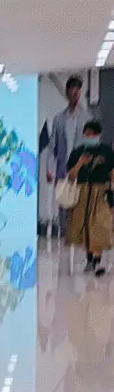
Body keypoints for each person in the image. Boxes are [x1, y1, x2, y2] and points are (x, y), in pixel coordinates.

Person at [65, 120, 114, 276]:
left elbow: (112, 174)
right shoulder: (77, 152)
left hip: (101, 193)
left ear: (98, 135)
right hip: (82, 193)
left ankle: (97, 261)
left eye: (91, 135)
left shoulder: (106, 151)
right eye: (86, 135)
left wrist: (112, 195)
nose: (88, 137)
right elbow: (71, 176)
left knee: (99, 225)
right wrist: (80, 163)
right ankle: (90, 259)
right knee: (85, 227)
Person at [51, 75, 87, 236]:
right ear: (67, 92)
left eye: (79, 90)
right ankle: (65, 234)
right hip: (63, 168)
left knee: (80, 202)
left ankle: (79, 234)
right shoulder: (59, 119)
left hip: (81, 168)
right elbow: (52, 146)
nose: (76, 93)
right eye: (73, 89)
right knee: (64, 203)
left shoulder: (86, 118)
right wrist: (50, 168)